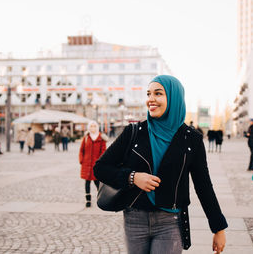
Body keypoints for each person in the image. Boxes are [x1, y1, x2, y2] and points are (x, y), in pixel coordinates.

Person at [95, 75, 227, 254]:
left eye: (158, 93)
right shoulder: (134, 132)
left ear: (173, 98)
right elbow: (100, 168)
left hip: (170, 223)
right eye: (148, 94)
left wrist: (218, 228)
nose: (151, 99)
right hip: (135, 220)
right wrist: (132, 177)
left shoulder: (191, 139)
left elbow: (203, 186)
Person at [79, 121, 107, 207]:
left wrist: (100, 163)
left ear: (97, 127)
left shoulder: (101, 138)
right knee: (87, 182)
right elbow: (81, 150)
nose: (93, 128)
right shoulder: (86, 138)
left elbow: (103, 152)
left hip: (96, 165)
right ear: (89, 127)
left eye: (94, 126)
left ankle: (101, 198)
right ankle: (88, 200)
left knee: (97, 182)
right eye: (91, 126)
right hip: (86, 164)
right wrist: (81, 160)